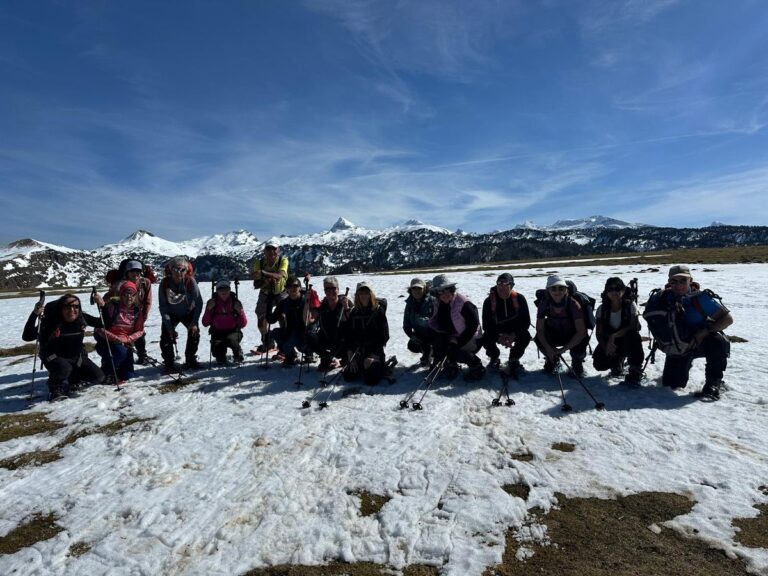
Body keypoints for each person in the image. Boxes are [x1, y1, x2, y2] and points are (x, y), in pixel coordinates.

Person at [644, 265, 733, 399]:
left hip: (699, 343)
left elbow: (727, 319)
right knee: (671, 384)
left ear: (690, 281)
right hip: (677, 348)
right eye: (674, 281)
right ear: (669, 282)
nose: (679, 285)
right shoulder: (662, 299)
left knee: (717, 342)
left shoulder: (700, 299)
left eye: (683, 280)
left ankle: (714, 382)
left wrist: (702, 333)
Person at [22, 293, 105, 401]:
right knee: (65, 368)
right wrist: (34, 314)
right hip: (54, 357)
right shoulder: (51, 322)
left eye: (76, 306)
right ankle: (55, 388)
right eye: (67, 306)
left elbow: (103, 323)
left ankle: (74, 380)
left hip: (76, 356)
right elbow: (27, 336)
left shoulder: (81, 318)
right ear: (61, 308)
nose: (72, 310)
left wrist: (103, 306)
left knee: (99, 377)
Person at [428, 274, 485, 381]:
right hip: (454, 336)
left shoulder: (463, 303)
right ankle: (449, 364)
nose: (444, 294)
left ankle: (476, 365)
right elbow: (441, 323)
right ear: (437, 293)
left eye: (446, 290)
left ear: (451, 289)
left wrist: (458, 341)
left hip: (471, 338)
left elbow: (473, 326)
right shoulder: (438, 303)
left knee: (453, 351)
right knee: (439, 344)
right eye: (440, 291)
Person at [592, 277, 643, 385]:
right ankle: (616, 364)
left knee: (633, 336)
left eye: (617, 288)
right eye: (610, 289)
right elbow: (599, 333)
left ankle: (635, 370)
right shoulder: (602, 309)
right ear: (606, 292)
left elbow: (634, 326)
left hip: (627, 341)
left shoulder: (630, 306)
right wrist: (605, 347)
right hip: (610, 343)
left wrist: (613, 336)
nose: (614, 292)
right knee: (599, 363)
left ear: (623, 290)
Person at [535, 275, 589, 376]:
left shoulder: (573, 304)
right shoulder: (544, 304)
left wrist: (562, 350)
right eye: (553, 288)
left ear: (566, 290)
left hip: (571, 335)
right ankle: (552, 359)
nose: (557, 291)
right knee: (538, 338)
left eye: (561, 288)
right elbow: (540, 330)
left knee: (582, 340)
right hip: (554, 334)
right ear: (548, 290)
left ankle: (577, 362)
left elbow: (581, 332)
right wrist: (548, 348)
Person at [480, 272, 532, 377]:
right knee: (485, 338)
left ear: (511, 285)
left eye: (505, 283)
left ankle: (514, 358)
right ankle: (494, 357)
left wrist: (513, 334)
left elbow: (525, 322)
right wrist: (499, 336)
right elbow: (486, 325)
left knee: (525, 336)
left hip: (514, 330)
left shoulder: (520, 299)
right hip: (497, 330)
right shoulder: (489, 301)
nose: (501, 286)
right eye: (499, 283)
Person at [158, 256, 203, 371]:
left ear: (186, 270)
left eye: (182, 270)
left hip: (188, 312)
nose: (179, 272)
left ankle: (190, 358)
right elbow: (163, 306)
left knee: (194, 333)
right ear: (170, 270)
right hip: (171, 314)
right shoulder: (165, 283)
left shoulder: (190, 282)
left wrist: (194, 322)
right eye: (175, 269)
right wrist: (169, 327)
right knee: (166, 336)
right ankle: (169, 361)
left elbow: (198, 302)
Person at [95, 281, 145, 383]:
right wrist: (115, 338)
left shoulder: (137, 311)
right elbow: (99, 328)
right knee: (120, 352)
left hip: (125, 342)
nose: (129, 297)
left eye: (132, 294)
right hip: (108, 342)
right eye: (126, 294)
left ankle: (116, 368)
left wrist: (127, 339)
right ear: (121, 295)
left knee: (128, 376)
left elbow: (140, 331)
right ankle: (106, 371)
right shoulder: (113, 307)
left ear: (135, 296)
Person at [104, 259, 153, 365]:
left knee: (139, 334)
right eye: (132, 271)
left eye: (138, 271)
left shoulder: (145, 283)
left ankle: (141, 356)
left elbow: (147, 301)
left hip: (137, 315)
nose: (136, 274)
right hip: (121, 317)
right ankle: (123, 356)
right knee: (129, 336)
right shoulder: (119, 285)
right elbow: (110, 298)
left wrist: (143, 316)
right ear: (127, 272)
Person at [342, 281, 389, 385]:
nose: (364, 296)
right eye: (361, 293)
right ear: (357, 296)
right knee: (348, 377)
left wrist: (373, 356)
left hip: (375, 353)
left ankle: (378, 365)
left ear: (371, 294)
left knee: (371, 380)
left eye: (366, 293)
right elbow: (349, 336)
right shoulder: (354, 312)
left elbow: (384, 336)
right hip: (359, 353)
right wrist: (351, 357)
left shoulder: (378, 311)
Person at [267, 275, 315, 366]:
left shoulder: (306, 301)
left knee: (291, 341)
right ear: (286, 289)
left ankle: (309, 352)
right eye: (289, 286)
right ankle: (290, 355)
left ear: (300, 288)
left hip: (303, 333)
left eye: (295, 286)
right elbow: (271, 320)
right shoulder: (284, 303)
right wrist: (269, 304)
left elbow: (314, 320)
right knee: (275, 333)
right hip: (290, 331)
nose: (292, 288)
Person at [306, 276, 350, 371]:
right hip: (327, 339)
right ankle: (327, 357)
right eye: (327, 289)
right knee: (309, 336)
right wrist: (307, 302)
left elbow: (353, 323)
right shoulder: (323, 305)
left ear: (338, 289)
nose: (330, 291)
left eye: (333, 288)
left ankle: (343, 360)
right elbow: (309, 320)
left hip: (342, 341)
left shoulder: (345, 302)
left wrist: (347, 308)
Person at [251, 241, 289, 354]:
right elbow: (256, 283)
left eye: (273, 249)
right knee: (261, 320)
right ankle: (267, 342)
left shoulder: (283, 260)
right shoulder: (259, 262)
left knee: (284, 317)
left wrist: (263, 273)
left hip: (281, 292)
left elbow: (279, 276)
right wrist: (267, 279)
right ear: (264, 251)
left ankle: (284, 344)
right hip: (265, 293)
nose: (271, 251)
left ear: (278, 250)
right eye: (268, 249)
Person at [201, 280, 248, 364]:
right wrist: (208, 310)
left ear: (230, 290)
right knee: (218, 353)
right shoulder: (212, 303)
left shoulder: (235, 302)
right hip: (217, 332)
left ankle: (238, 353)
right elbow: (205, 323)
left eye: (226, 289)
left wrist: (240, 312)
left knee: (231, 340)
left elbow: (243, 324)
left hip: (233, 331)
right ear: (217, 291)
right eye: (220, 289)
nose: (224, 291)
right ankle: (221, 356)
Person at [403, 278, 435, 366]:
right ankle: (427, 352)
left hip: (433, 334)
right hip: (419, 334)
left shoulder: (432, 301)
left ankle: (433, 353)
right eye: (414, 288)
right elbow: (406, 324)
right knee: (412, 345)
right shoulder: (410, 304)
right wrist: (411, 336)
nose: (416, 291)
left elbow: (437, 321)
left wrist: (424, 322)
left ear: (424, 289)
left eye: (419, 288)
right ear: (410, 290)